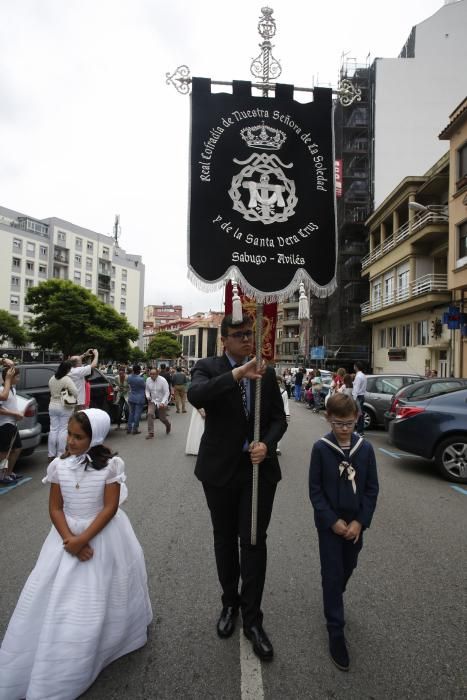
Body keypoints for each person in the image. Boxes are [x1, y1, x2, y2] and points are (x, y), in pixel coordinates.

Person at [0, 408, 152, 699]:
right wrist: (70, 539)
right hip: (65, 537)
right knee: (56, 594)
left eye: (78, 436)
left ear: (95, 437)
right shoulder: (59, 466)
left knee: (103, 590)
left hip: (101, 535)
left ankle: (104, 641)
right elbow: (56, 507)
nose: (70, 441)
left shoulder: (111, 466)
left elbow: (109, 508)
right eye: (69, 434)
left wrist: (84, 539)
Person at [188, 314, 287, 662]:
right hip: (220, 470)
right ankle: (229, 603)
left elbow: (279, 418)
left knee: (254, 540)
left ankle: (253, 619)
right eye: (240, 335)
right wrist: (237, 374)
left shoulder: (267, 372)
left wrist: (267, 443)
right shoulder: (208, 367)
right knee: (225, 539)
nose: (248, 339)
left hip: (257, 470)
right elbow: (196, 394)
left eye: (251, 334)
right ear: (224, 340)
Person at [309, 393, 379, 672]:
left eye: (349, 423)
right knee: (332, 570)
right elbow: (315, 490)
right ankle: (335, 628)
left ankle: (334, 593)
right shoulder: (321, 448)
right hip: (330, 525)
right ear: (328, 419)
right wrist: (332, 521)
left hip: (355, 523)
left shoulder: (366, 449)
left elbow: (372, 489)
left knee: (348, 565)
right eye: (338, 423)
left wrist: (359, 522)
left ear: (357, 419)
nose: (344, 429)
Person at [47, 360, 79, 459]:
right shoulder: (66, 379)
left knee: (53, 429)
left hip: (52, 405)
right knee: (63, 429)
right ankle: (60, 453)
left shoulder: (52, 378)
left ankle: (51, 454)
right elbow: (75, 392)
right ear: (67, 369)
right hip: (64, 406)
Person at [0, 367, 24, 485]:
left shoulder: (11, 389)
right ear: (10, 377)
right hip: (4, 424)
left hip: (12, 423)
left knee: (17, 448)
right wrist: (14, 413)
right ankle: (2, 475)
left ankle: (9, 473)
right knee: (4, 452)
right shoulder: (2, 389)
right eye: (17, 376)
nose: (19, 378)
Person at [145, 367, 171, 439]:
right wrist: (147, 396)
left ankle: (168, 425)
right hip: (153, 400)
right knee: (149, 414)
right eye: (151, 374)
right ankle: (151, 433)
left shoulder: (163, 380)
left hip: (162, 400)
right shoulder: (148, 380)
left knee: (162, 418)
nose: (152, 375)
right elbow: (147, 390)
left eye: (154, 374)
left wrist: (163, 402)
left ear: (157, 374)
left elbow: (167, 392)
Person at [127, 364, 146, 434]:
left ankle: (129, 428)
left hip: (131, 397)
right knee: (137, 414)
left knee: (131, 413)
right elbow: (145, 386)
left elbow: (132, 381)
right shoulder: (141, 379)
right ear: (138, 370)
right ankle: (135, 429)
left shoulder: (129, 377)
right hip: (139, 398)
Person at [352, 361, 367, 436]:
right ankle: (360, 431)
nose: (353, 367)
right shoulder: (363, 375)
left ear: (356, 367)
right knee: (360, 414)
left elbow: (356, 389)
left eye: (354, 366)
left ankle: (360, 432)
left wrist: (354, 399)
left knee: (359, 414)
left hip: (358, 397)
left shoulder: (358, 376)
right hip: (362, 396)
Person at [276, 377, 290, 455]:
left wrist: (287, 415)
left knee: (279, 431)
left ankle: (277, 448)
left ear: (281, 383)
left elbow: (286, 404)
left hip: (280, 415)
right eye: (276, 382)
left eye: (279, 382)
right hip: (271, 414)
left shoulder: (284, 392)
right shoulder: (270, 391)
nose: (277, 384)